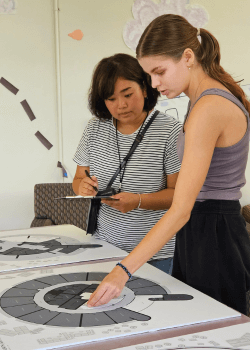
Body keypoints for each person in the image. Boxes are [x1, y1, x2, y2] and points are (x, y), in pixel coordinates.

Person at [87, 14, 250, 315]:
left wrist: (123, 270)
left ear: (188, 57)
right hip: (204, 229)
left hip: (212, 232)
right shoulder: (200, 100)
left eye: (159, 71)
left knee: (211, 329)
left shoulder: (209, 108)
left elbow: (181, 207)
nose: (154, 83)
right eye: (149, 75)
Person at [72, 53, 182, 275]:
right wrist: (82, 187)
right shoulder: (95, 128)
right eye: (111, 99)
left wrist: (138, 201)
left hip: (156, 254)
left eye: (127, 94)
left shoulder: (170, 131)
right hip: (103, 248)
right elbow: (78, 179)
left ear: (144, 87)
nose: (120, 105)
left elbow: (179, 196)